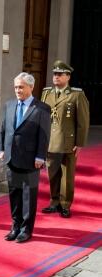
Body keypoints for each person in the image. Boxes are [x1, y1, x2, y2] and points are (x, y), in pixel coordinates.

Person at [0, 73, 51, 243]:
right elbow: (3, 129)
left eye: (21, 87)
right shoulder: (9, 104)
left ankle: (26, 229)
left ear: (31, 87)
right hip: (11, 158)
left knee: (28, 196)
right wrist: (1, 149)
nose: (17, 90)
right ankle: (15, 225)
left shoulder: (42, 108)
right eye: (16, 87)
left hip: (30, 160)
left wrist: (41, 156)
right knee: (14, 194)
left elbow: (44, 135)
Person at [40, 60, 90, 218]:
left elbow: (83, 121)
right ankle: (54, 202)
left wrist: (80, 143)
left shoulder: (76, 95)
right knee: (52, 173)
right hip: (50, 140)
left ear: (68, 77)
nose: (56, 77)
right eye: (54, 74)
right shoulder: (47, 93)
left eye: (60, 74)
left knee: (67, 175)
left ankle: (65, 204)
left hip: (68, 141)